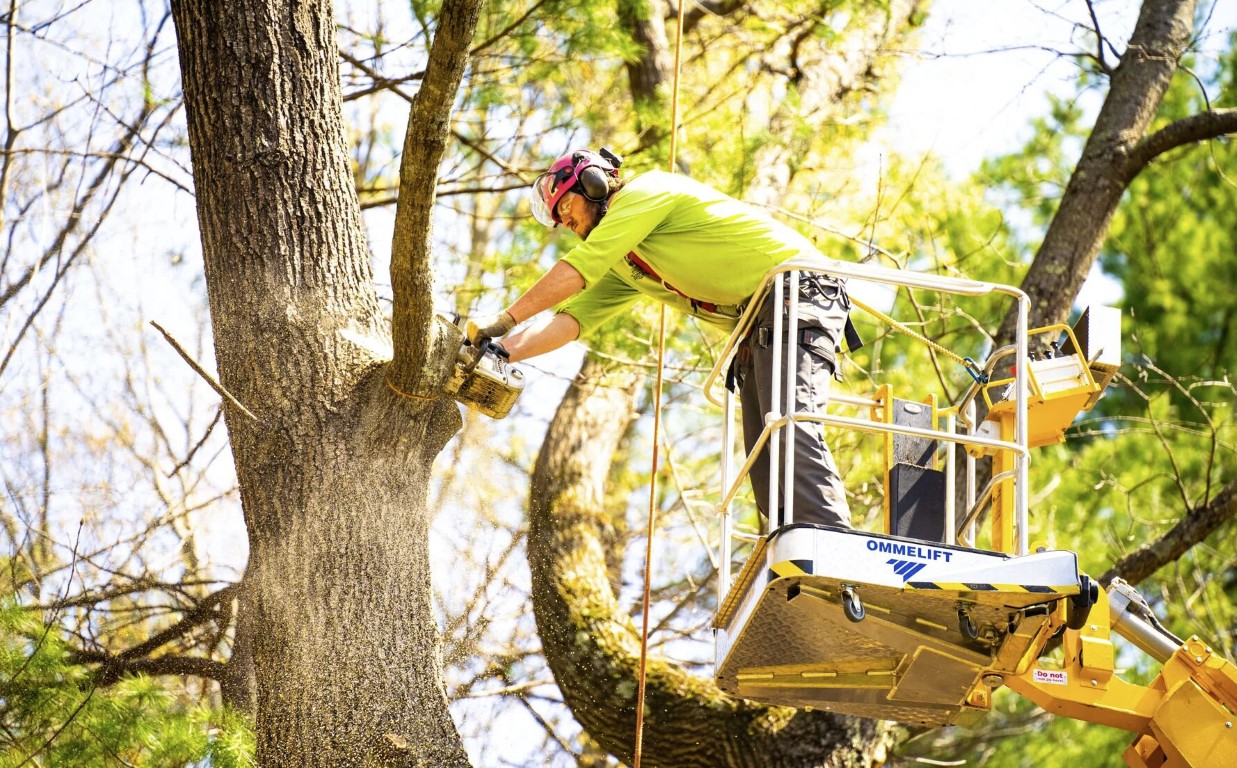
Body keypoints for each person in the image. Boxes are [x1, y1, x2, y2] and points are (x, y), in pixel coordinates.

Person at [467, 148, 853, 530]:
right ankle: (798, 547)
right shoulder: (627, 260)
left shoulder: (645, 192)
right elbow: (570, 320)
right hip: (760, 318)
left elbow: (576, 272)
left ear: (594, 185)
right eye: (556, 218)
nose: (563, 221)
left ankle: (832, 541)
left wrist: (504, 319)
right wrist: (499, 351)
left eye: (565, 207)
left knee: (788, 424)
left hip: (799, 290)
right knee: (764, 457)